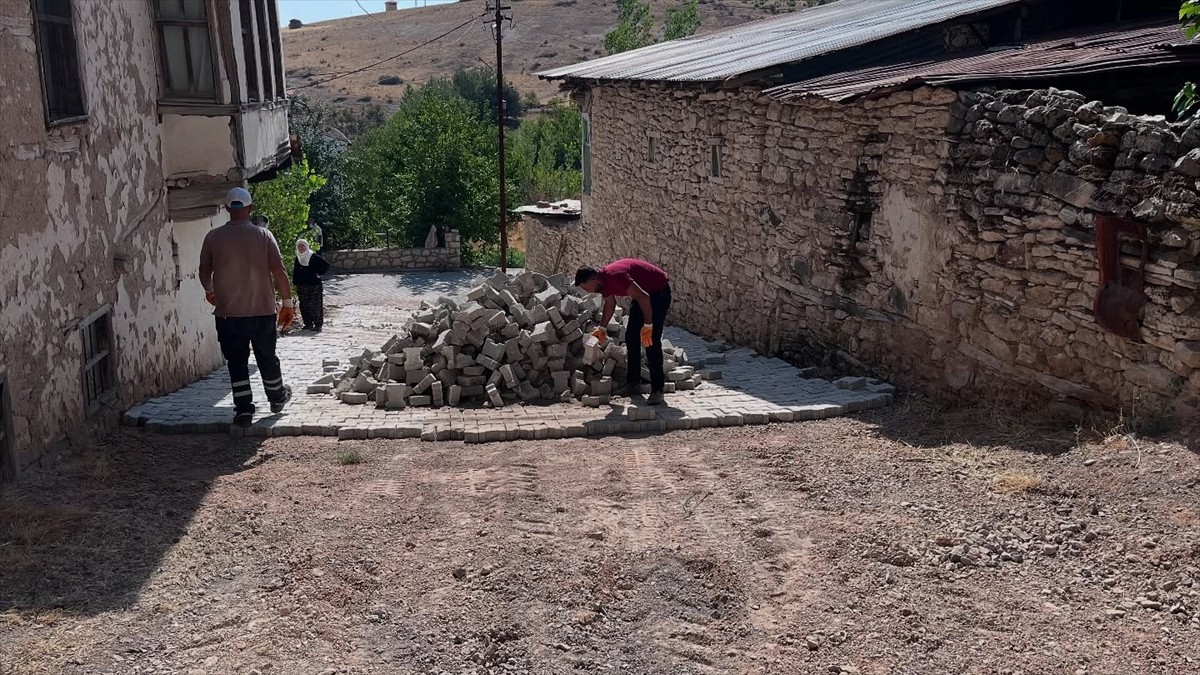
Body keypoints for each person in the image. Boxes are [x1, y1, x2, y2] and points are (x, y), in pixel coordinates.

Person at [199, 187, 295, 427]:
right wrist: (287, 303)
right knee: (267, 357)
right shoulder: (263, 236)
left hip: (228, 314)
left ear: (227, 208)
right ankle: (276, 398)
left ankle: (243, 410)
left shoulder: (213, 237)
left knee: (237, 361)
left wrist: (210, 290)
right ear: (250, 208)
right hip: (262, 312)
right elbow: (279, 272)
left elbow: (203, 270)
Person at [575, 258, 672, 405]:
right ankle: (633, 383)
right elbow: (610, 303)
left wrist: (648, 326)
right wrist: (602, 328)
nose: (587, 291)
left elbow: (644, 297)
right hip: (643, 295)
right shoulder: (602, 284)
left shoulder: (615, 276)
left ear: (594, 279)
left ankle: (657, 390)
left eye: (586, 287)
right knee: (631, 336)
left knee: (650, 340)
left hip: (658, 292)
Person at [292, 238, 331, 332]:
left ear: (306, 246)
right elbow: (296, 271)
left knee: (316, 305)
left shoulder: (313, 256)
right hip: (302, 285)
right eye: (299, 246)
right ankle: (308, 323)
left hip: (314, 285)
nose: (301, 248)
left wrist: (319, 274)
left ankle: (318, 324)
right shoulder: (298, 257)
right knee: (304, 305)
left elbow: (326, 265)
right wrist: (295, 283)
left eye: (302, 246)